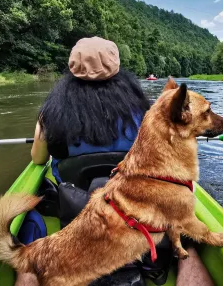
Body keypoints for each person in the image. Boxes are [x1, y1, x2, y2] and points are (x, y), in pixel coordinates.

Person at [30, 37, 213, 286]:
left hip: (79, 209)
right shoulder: (145, 110)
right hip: (137, 208)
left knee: (34, 210)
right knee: (182, 219)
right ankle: (179, 254)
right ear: (117, 69)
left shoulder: (50, 113)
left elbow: (39, 158)